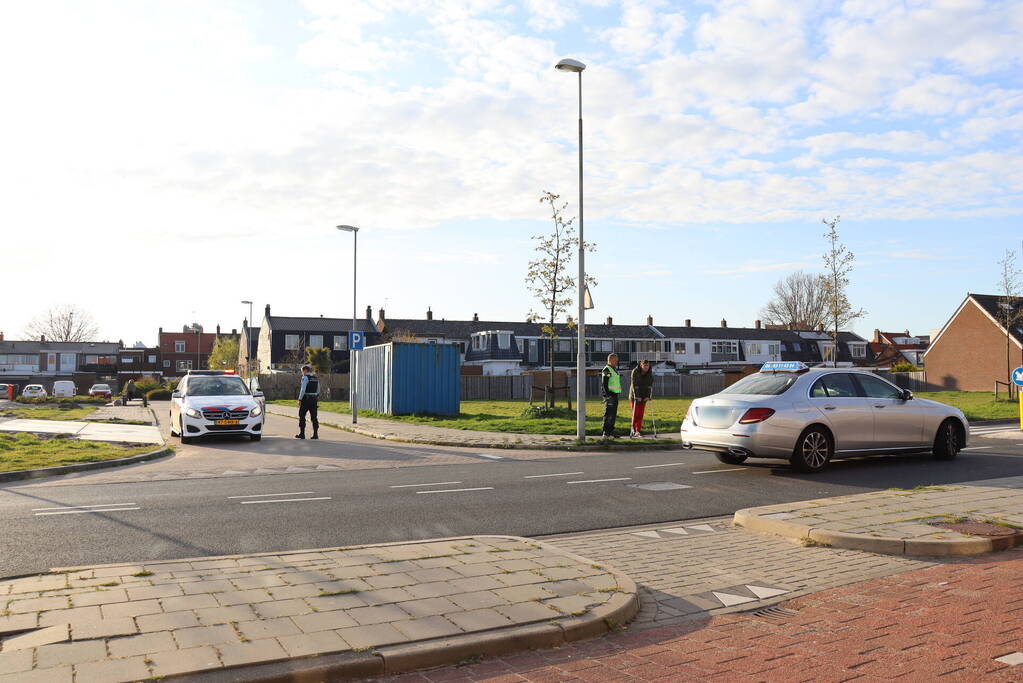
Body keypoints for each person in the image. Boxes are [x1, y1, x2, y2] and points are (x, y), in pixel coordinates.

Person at [629, 360, 654, 437]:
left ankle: (638, 431)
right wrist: (637, 396)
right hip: (634, 396)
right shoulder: (635, 372)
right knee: (635, 413)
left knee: (640, 414)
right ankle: (633, 429)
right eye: (644, 366)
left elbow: (650, 386)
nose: (646, 367)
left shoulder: (650, 373)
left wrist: (648, 396)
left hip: (644, 396)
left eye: (647, 366)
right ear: (641, 365)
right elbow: (634, 385)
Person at [600, 353, 622, 439]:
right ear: (611, 360)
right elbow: (604, 383)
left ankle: (611, 432)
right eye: (616, 360)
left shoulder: (613, 369)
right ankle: (606, 433)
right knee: (608, 414)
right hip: (610, 396)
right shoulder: (607, 369)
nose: (617, 362)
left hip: (614, 395)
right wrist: (608, 395)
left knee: (613, 415)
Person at [296, 365, 320, 440]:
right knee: (314, 417)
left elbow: (303, 389)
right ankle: (315, 434)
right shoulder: (315, 378)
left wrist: (299, 399)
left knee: (302, 416)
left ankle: (302, 434)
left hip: (306, 399)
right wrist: (316, 396)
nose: (302, 373)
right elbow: (318, 389)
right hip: (314, 399)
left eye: (302, 371)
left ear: (305, 370)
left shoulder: (305, 377)